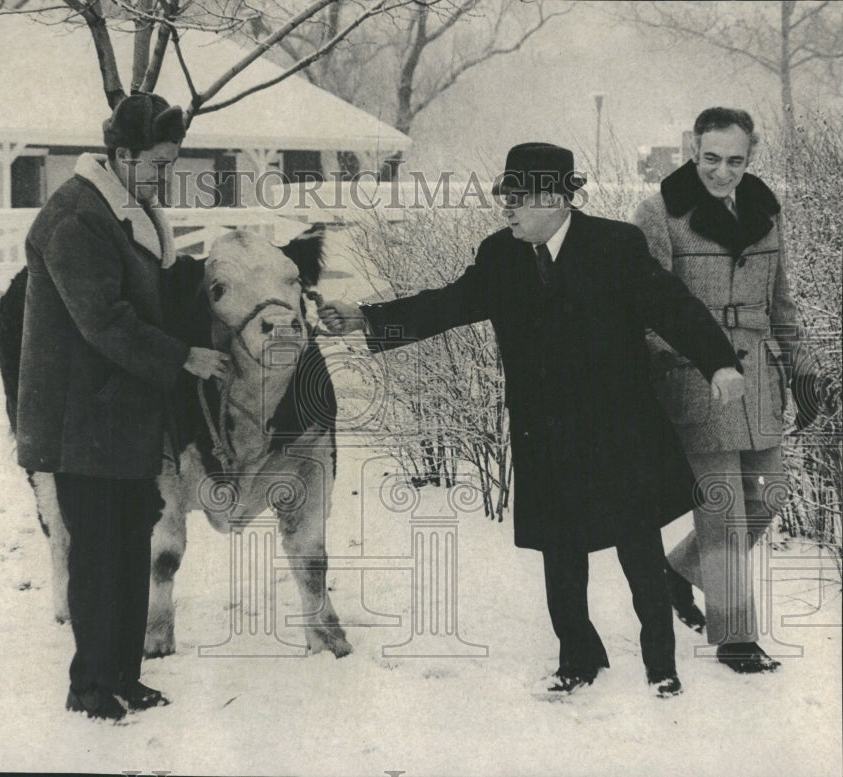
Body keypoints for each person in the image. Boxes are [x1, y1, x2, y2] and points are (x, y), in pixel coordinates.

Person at [318, 142, 745, 699]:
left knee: (636, 547)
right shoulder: (501, 255)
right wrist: (365, 319)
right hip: (544, 433)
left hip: (619, 431)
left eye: (518, 199)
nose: (508, 210)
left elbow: (674, 306)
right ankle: (578, 658)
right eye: (505, 199)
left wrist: (718, 361)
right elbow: (447, 305)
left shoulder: (616, 245)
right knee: (561, 553)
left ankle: (660, 663)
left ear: (558, 198)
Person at [16, 93, 229, 720]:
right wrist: (182, 357)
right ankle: (89, 687)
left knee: (131, 546)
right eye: (160, 164)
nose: (167, 178)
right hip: (81, 419)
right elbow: (104, 322)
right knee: (98, 554)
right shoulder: (76, 218)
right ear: (123, 154)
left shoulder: (126, 209)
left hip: (122, 414)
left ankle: (123, 676)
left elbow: (154, 289)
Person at [633, 107, 821, 673]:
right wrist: (688, 360)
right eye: (711, 158)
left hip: (759, 380)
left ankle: (679, 570)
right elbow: (645, 310)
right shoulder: (658, 213)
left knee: (770, 493)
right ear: (693, 149)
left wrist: (807, 369)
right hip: (696, 380)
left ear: (750, 156)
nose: (722, 172)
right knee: (723, 508)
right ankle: (735, 636)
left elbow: (780, 304)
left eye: (735, 160)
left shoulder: (766, 210)